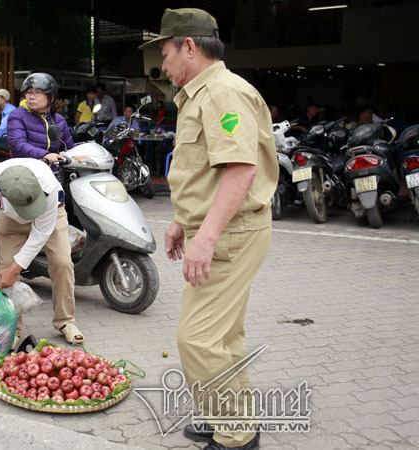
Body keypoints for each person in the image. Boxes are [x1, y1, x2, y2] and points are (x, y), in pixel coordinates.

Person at [144, 7, 277, 450]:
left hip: (231, 236)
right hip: (220, 230)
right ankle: (229, 417)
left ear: (189, 46)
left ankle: (236, 437)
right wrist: (184, 221)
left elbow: (240, 170)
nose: (162, 66)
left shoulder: (222, 93)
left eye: (165, 54)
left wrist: (206, 237)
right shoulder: (199, 94)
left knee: (197, 339)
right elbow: (205, 172)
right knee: (223, 336)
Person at [0, 158, 83, 345]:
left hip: (51, 216)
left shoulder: (48, 187)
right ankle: (12, 329)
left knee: (62, 263)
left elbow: (40, 234)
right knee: (5, 269)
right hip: (10, 220)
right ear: (4, 195)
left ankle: (66, 322)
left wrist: (15, 270)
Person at [7, 73, 74, 165]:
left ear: (51, 97)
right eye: (29, 92)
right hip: (27, 171)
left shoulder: (59, 120)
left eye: (38, 92)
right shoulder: (17, 116)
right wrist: (45, 155)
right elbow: (17, 145)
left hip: (55, 171)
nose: (32, 97)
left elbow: (69, 148)